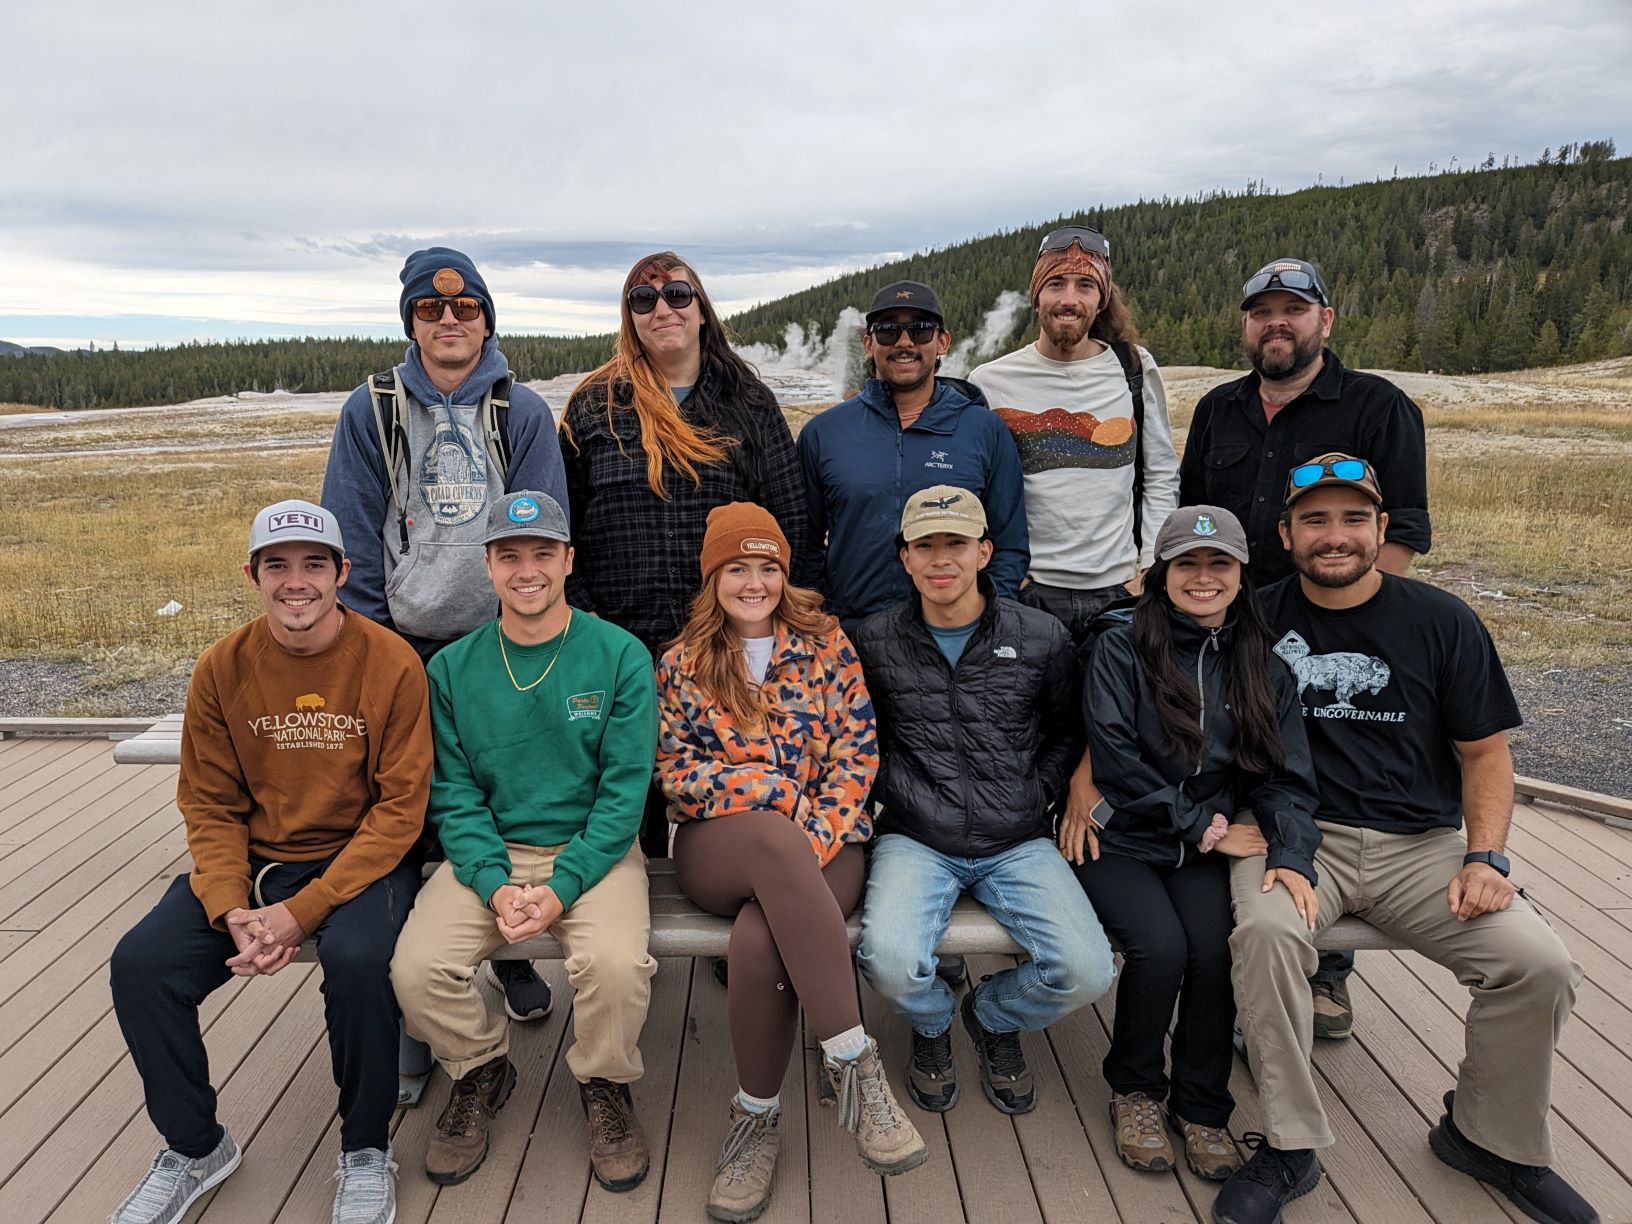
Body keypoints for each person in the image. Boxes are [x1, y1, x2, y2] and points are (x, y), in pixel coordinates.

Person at [1212, 456, 1595, 1224]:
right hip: (1298, 840)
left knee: (1539, 965)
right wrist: (1227, 813)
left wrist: (1487, 855)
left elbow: (1487, 754)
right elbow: (1207, 725)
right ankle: (1290, 1147)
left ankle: (1491, 1139)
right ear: (1285, 534)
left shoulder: (1441, 620)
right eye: (1314, 520)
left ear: (1383, 529)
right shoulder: (1252, 617)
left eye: (1354, 519)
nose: (1335, 536)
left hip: (1421, 848)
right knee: (1266, 936)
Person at [109, 500, 431, 1224]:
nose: (297, 582)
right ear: (252, 576)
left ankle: (365, 1149)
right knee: (142, 964)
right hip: (255, 868)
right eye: (277, 566)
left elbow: (400, 813)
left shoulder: (392, 662)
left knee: (358, 961)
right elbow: (210, 804)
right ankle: (196, 1148)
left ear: (342, 573)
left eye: (314, 565)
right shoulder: (223, 667)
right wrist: (231, 907)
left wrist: (302, 913)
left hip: (361, 865)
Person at [656, 502, 926, 1220]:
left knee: (760, 932)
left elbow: (857, 753)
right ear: (713, 576)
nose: (754, 582)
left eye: (767, 567)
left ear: (785, 573)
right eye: (736, 569)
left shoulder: (827, 644)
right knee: (771, 840)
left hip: (826, 841)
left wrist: (818, 829)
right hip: (718, 845)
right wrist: (773, 797)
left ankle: (757, 1120)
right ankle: (854, 1063)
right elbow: (676, 768)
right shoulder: (682, 661)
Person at [322, 245, 565, 1024]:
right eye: (432, 308)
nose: (450, 320)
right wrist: (379, 650)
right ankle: (421, 985)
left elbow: (545, 532)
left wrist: (533, 635)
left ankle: (512, 953)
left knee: (508, 801)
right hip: (408, 645)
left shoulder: (519, 412)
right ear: (412, 322)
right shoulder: (374, 408)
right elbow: (353, 536)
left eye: (466, 308)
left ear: (487, 319)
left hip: (503, 645)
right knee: (417, 809)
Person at [390, 492, 659, 1192]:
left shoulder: (620, 656)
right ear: (489, 566)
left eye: (543, 553)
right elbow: (453, 795)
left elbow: (624, 794)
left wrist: (563, 885)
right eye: (510, 555)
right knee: (416, 970)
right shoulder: (450, 669)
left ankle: (604, 1083)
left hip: (593, 854)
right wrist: (495, 883)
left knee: (616, 963)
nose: (527, 570)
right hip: (491, 855)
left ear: (569, 561)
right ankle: (480, 1067)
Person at [1072, 505, 1320, 1182]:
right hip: (1120, 836)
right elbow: (1117, 758)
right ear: (1161, 573)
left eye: (1219, 565)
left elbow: (1284, 775)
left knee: (1215, 951)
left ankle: (1202, 1105)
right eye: (1187, 563)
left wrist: (1290, 851)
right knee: (1161, 948)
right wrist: (1206, 826)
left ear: (1242, 574)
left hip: (1199, 845)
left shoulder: (1262, 663)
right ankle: (1136, 1090)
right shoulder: (1122, 644)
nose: (1203, 577)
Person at [853, 486, 1114, 1118]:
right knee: (887, 960)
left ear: (985, 552)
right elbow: (859, 738)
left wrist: (1040, 791)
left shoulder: (1040, 635)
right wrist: (898, 792)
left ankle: (993, 1015)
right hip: (915, 836)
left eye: (957, 544)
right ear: (905, 558)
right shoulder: (871, 639)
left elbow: (1067, 730)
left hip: (1018, 837)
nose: (942, 560)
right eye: (926, 546)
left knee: (1088, 970)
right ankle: (935, 1022)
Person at [561, 250, 808, 858]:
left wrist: (782, 632)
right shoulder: (597, 405)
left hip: (723, 640)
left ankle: (731, 927)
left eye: (677, 294)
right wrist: (586, 621)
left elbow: (792, 525)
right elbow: (564, 530)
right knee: (618, 800)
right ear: (629, 318)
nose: (661, 308)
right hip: (616, 638)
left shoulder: (747, 402)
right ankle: (626, 926)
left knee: (730, 790)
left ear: (702, 311)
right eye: (642, 300)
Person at [969, 223, 1180, 645]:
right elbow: (976, 487)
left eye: (1085, 285)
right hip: (1029, 593)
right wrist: (1008, 575)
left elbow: (1160, 472)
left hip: (1121, 590)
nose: (1070, 299)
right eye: (1056, 284)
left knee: (1117, 711)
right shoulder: (990, 381)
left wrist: (1149, 567)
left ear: (1101, 299)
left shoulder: (1133, 367)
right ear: (1036, 295)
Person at [795, 281, 1029, 632]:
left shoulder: (985, 431)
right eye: (888, 331)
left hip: (953, 638)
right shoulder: (823, 433)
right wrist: (822, 619)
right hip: (851, 637)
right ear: (868, 344)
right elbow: (804, 546)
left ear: (942, 342)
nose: (904, 343)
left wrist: (988, 626)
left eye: (920, 330)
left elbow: (1008, 546)